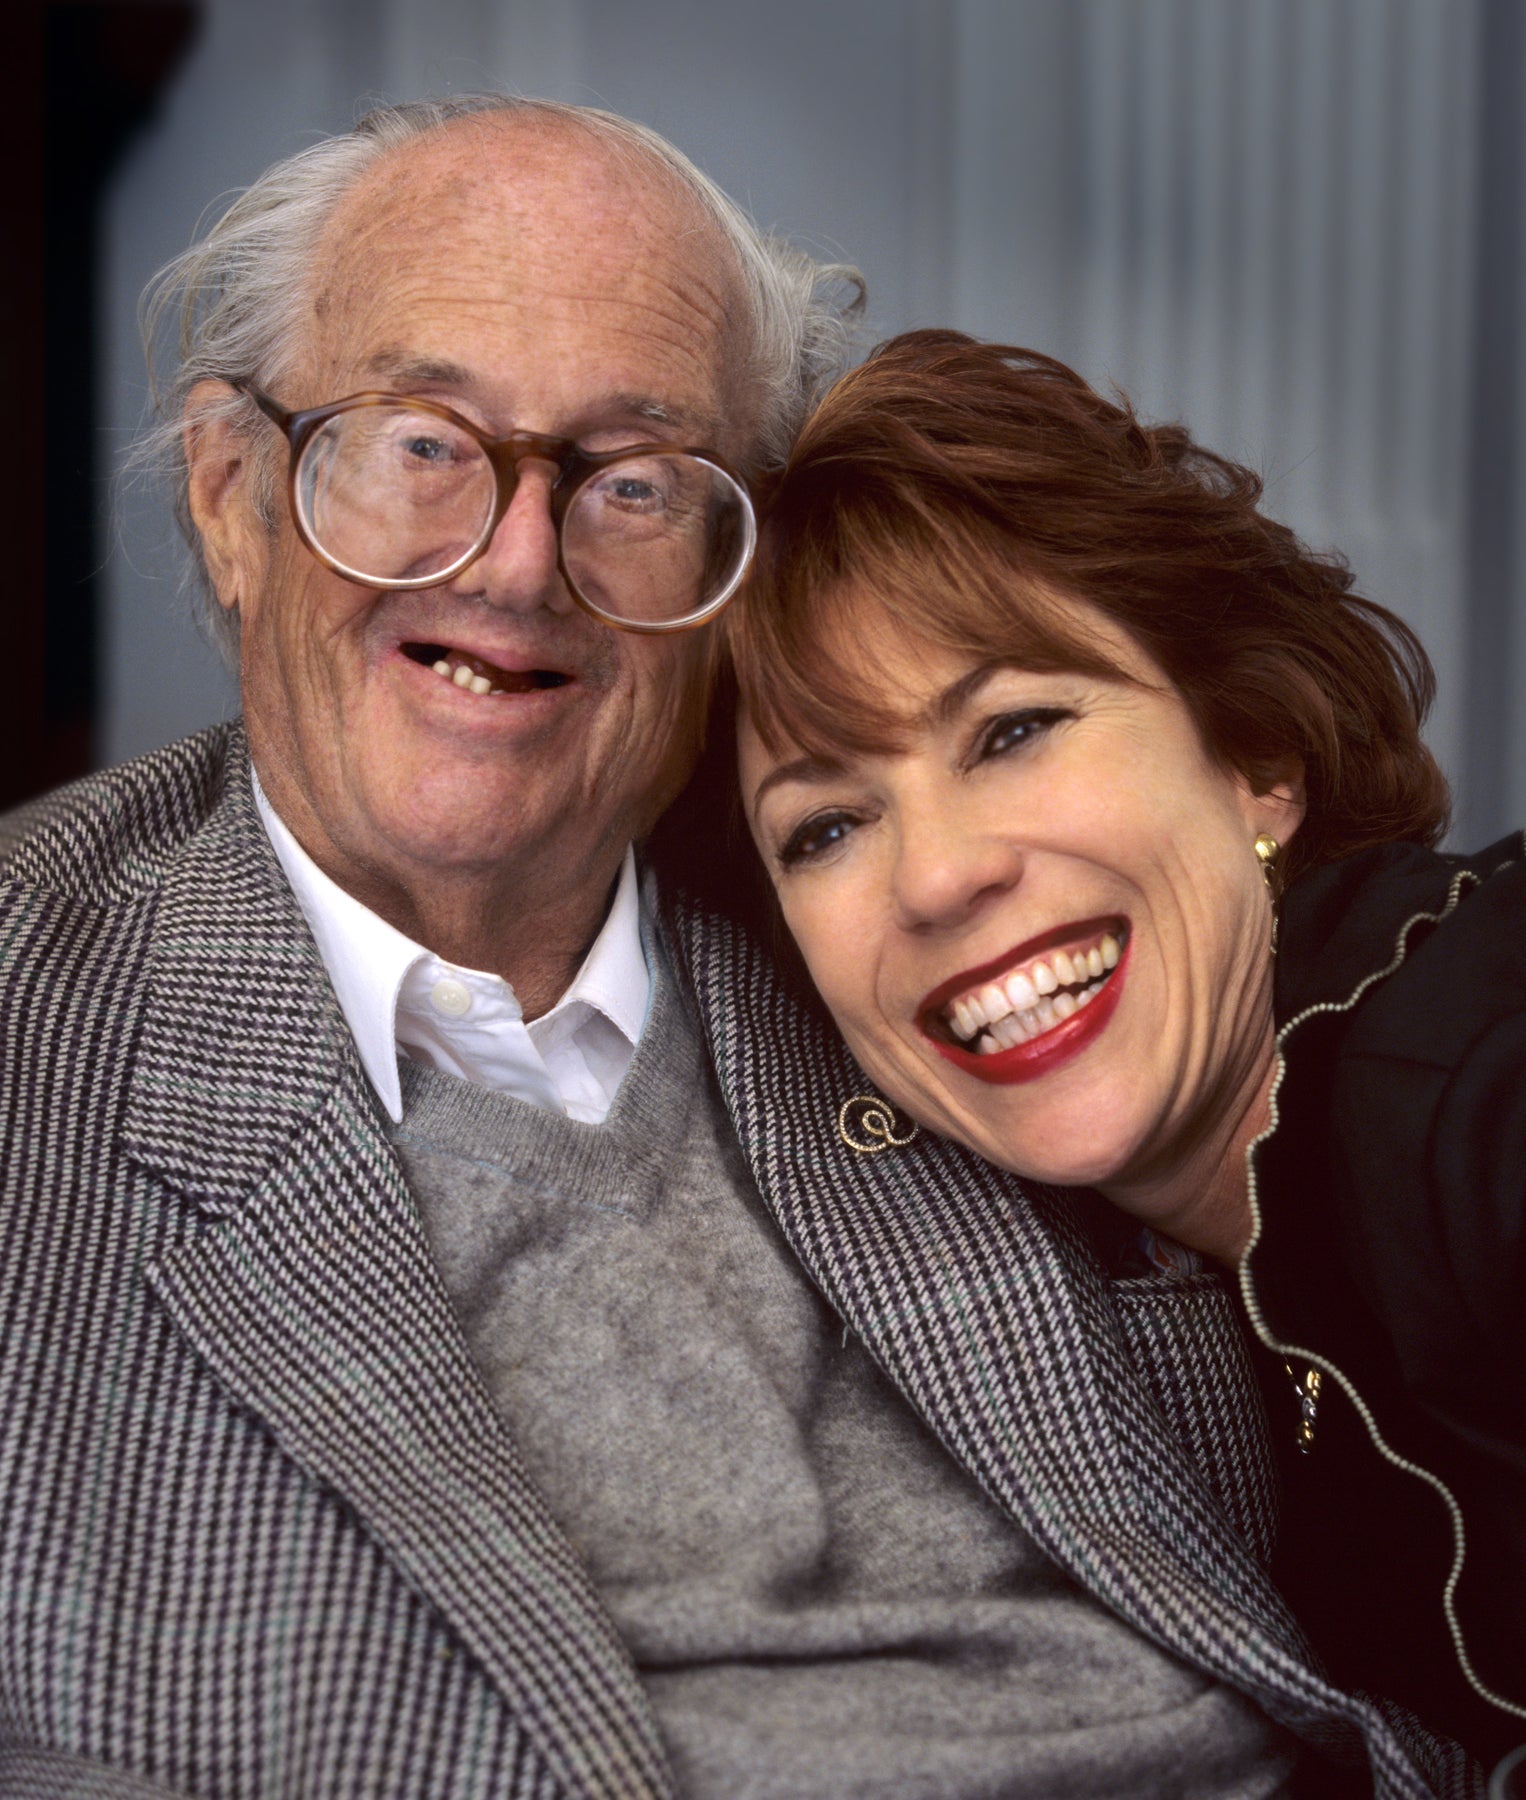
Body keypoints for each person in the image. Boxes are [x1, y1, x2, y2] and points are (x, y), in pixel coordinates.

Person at [0, 94, 1474, 1799]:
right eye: (418, 441)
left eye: (631, 477)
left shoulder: (911, 946)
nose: (518, 560)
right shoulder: (42, 1012)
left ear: (726, 560)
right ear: (232, 495)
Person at [712, 328, 1526, 1781]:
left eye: (1012, 729)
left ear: (1254, 756)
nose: (937, 878)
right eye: (824, 827)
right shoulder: (1121, 1295)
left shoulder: (1472, 1065)